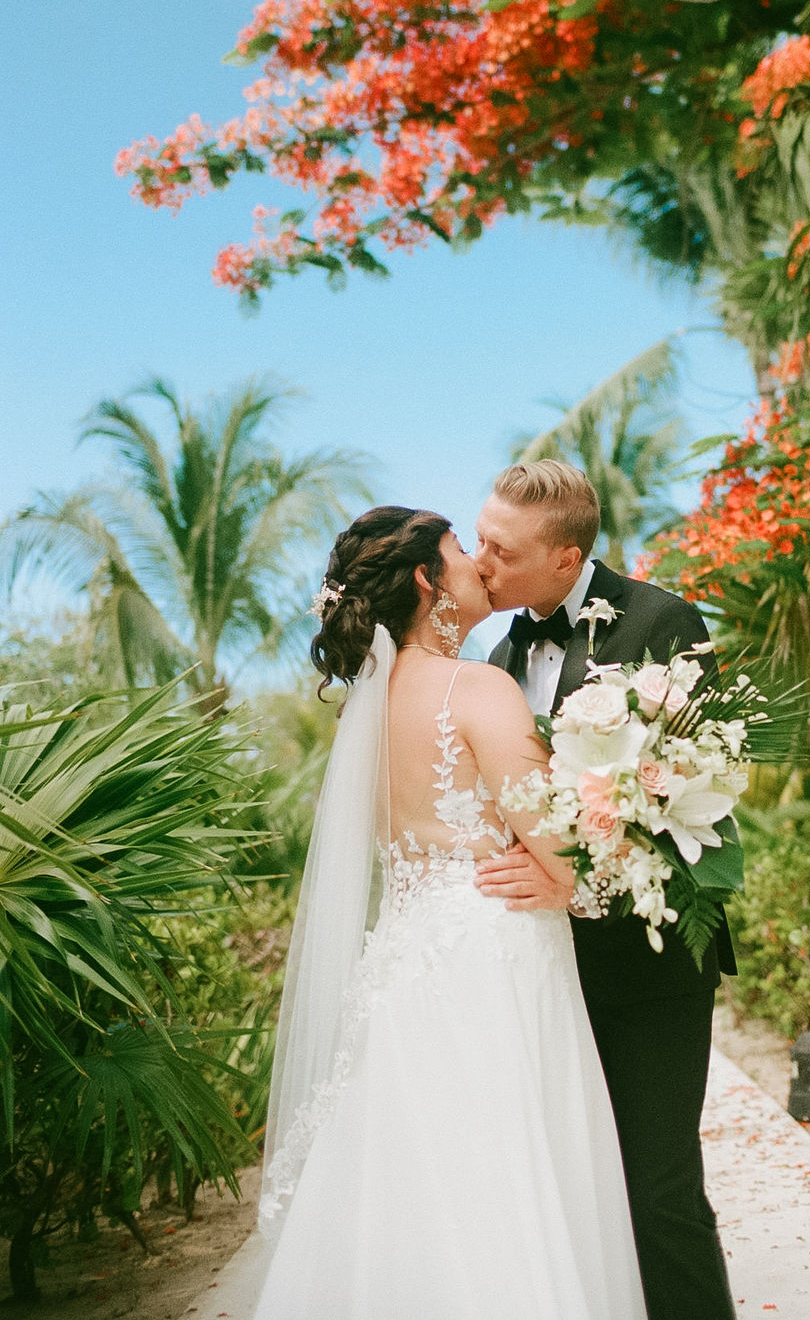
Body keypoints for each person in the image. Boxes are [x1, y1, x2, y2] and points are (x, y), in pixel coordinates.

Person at [250, 505, 646, 1320]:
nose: (480, 562)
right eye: (462, 550)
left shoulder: (369, 711)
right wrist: (595, 858)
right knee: (512, 1172)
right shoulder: (479, 687)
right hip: (494, 954)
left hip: (402, 964)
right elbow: (560, 848)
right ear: (430, 582)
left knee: (415, 1181)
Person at [475, 461, 738, 1320]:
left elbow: (700, 793)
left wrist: (580, 887)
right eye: (479, 540)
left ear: (565, 558)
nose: (481, 562)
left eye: (500, 549)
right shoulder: (501, 654)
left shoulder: (663, 620)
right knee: (577, 1193)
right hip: (544, 972)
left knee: (660, 1188)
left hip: (649, 961)